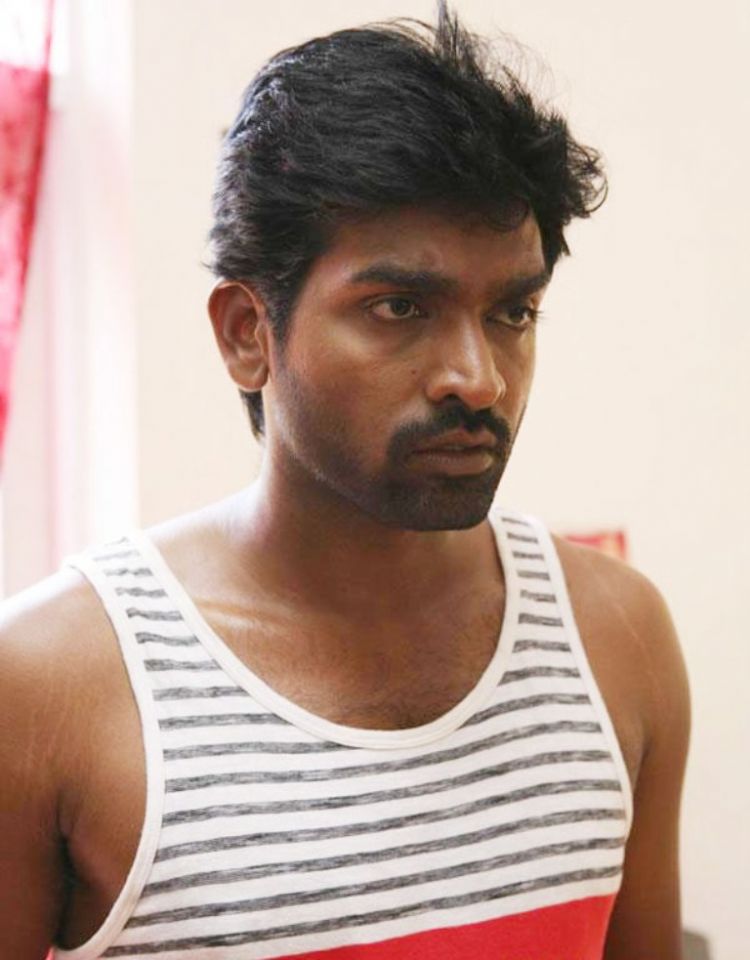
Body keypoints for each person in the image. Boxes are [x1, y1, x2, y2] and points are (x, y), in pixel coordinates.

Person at [0, 4, 690, 959]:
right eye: (400, 306)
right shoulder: (50, 685)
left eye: (513, 312)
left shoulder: (616, 636)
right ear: (248, 333)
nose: (478, 379)